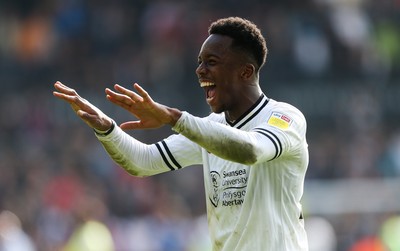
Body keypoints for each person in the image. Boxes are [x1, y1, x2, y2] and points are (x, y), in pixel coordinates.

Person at [53, 16, 309, 251]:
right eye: (200, 62)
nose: (200, 70)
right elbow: (143, 161)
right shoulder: (211, 128)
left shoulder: (284, 118)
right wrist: (106, 129)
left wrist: (173, 118)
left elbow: (251, 151)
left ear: (245, 71)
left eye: (212, 62)